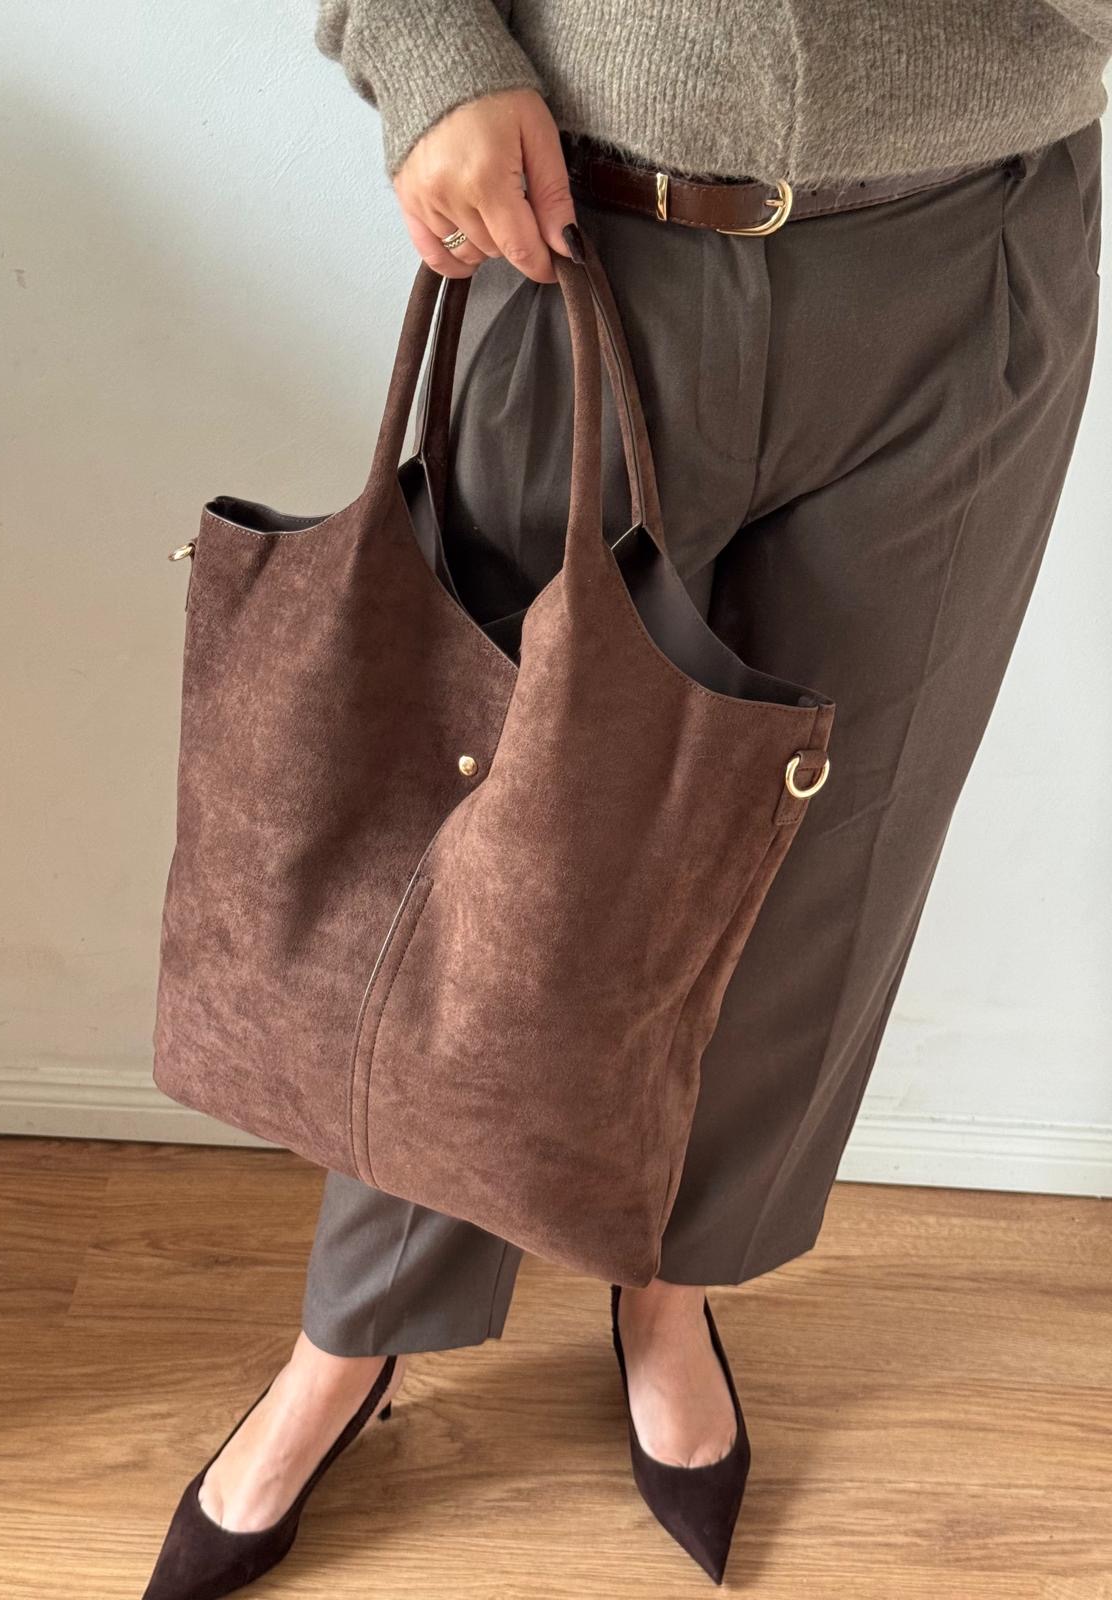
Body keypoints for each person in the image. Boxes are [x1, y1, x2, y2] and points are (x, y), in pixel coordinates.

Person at [142, 4, 1110, 1596]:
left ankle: (670, 1284)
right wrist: (428, 50)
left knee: (824, 845)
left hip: (974, 248)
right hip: (579, 223)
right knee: (476, 851)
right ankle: (355, 1336)